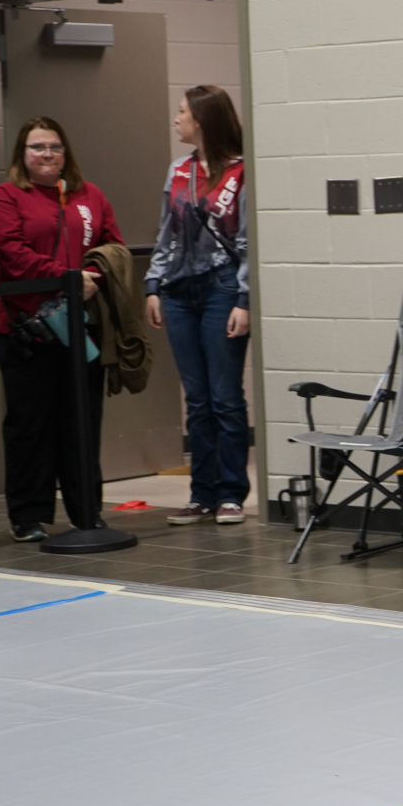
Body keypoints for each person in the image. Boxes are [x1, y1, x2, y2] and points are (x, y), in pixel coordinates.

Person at [0, 117, 122, 541]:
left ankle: (87, 512)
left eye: (55, 147)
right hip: (27, 330)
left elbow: (112, 247)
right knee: (29, 426)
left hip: (81, 329)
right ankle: (28, 516)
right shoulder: (6, 197)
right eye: (37, 147)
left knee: (83, 423)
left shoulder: (90, 195)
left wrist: (92, 277)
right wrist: (67, 277)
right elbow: (13, 255)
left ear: (66, 153)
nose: (47, 154)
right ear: (22, 154)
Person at [145, 86, 250, 526]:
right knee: (198, 399)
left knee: (225, 397)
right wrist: (153, 285)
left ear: (202, 120)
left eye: (182, 111)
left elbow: (247, 239)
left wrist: (244, 297)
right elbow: (166, 233)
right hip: (178, 292)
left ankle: (231, 492)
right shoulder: (179, 170)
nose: (176, 118)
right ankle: (201, 493)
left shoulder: (241, 172)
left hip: (222, 289)